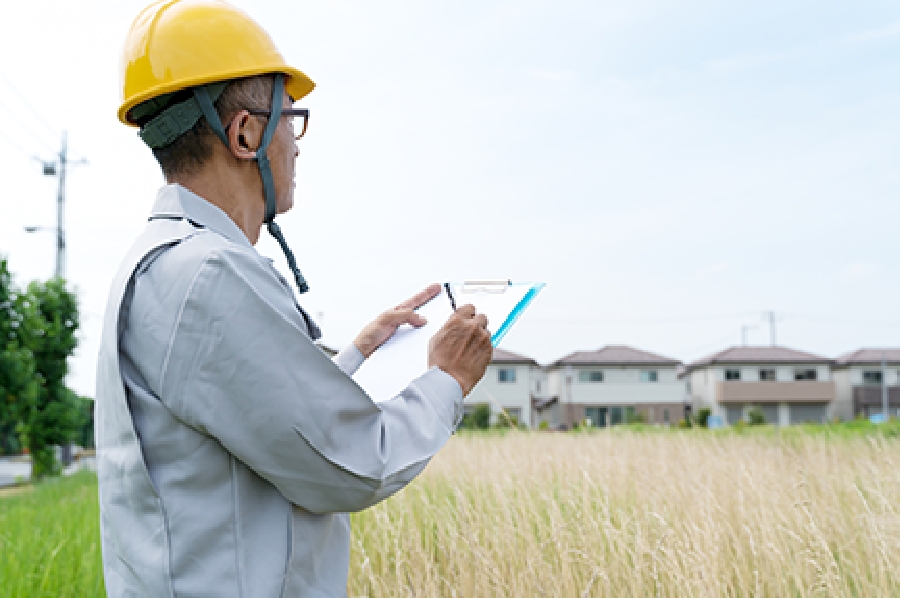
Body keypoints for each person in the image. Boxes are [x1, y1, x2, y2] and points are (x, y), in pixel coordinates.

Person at [94, 1, 493, 596]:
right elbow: (354, 463)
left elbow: (248, 419)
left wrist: (355, 355)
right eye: (291, 119)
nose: (297, 146)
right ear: (245, 133)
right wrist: (446, 380)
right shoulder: (208, 276)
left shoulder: (162, 262)